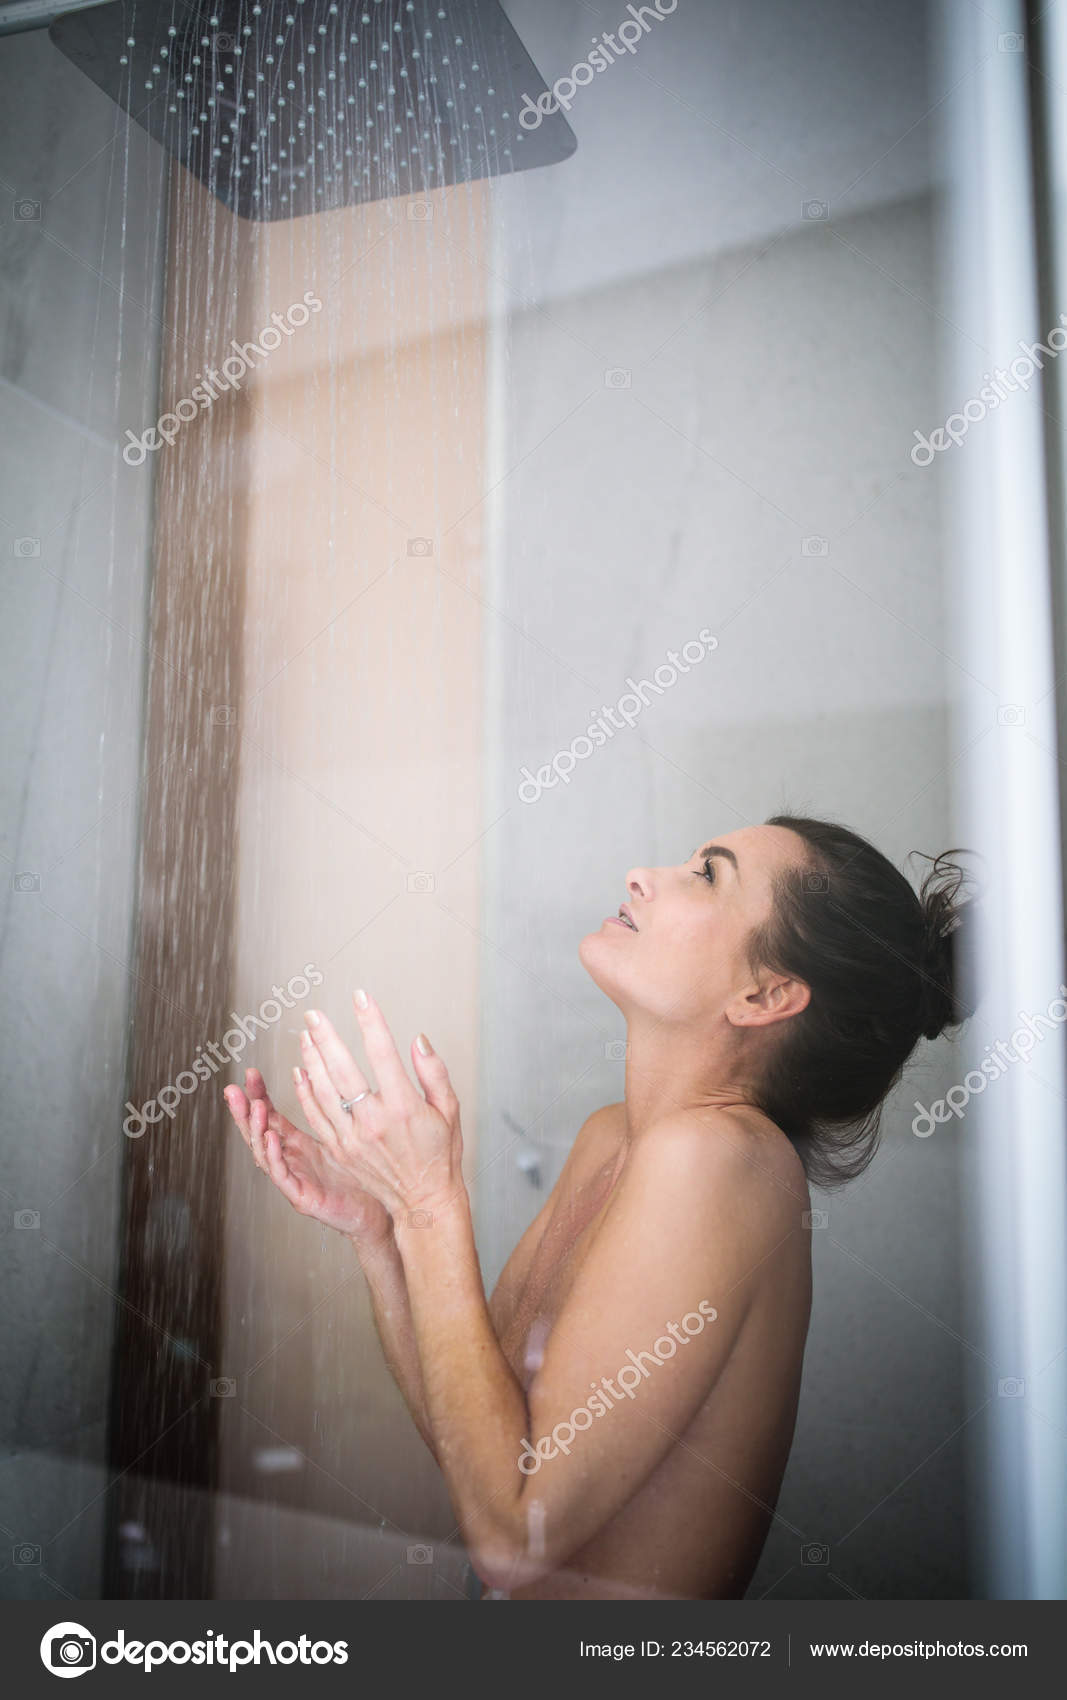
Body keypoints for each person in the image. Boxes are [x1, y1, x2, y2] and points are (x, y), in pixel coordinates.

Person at [223, 813, 975, 1600]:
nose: (641, 875)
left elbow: (512, 1542)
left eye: (706, 875)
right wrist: (381, 1229)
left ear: (764, 994)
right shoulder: (612, 1139)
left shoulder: (720, 1159)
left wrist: (427, 1204)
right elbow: (478, 1452)